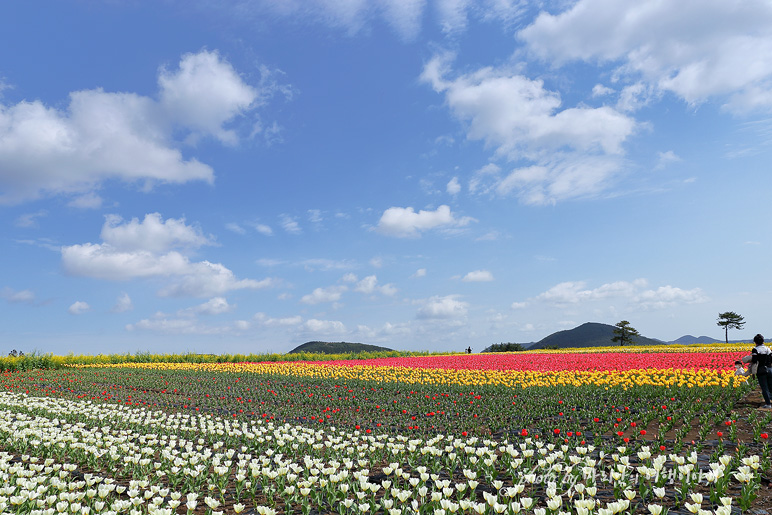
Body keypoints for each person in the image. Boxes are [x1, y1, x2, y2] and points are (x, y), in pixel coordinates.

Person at [742, 334, 772, 408]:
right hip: (770, 369)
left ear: (755, 342)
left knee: (764, 387)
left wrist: (749, 359)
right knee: (771, 386)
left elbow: (755, 360)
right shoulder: (768, 349)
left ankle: (768, 404)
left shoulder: (755, 349)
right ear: (763, 341)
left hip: (761, 370)